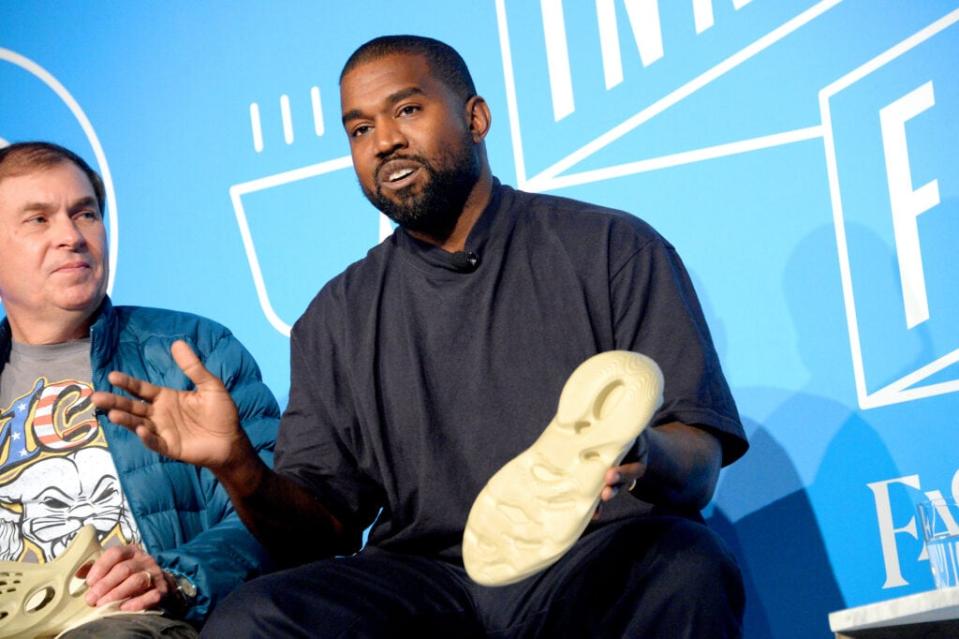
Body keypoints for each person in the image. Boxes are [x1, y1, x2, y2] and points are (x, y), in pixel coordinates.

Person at [93, 35, 748, 637]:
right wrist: (237, 464)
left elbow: (697, 463)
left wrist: (640, 449)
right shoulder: (334, 316)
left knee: (686, 563)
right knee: (256, 618)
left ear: (475, 117)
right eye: (359, 128)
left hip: (589, 559)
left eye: (406, 111)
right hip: (427, 583)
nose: (382, 141)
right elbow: (318, 532)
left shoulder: (609, 248)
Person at [0, 141, 279, 638]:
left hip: (136, 624)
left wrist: (175, 577)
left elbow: (275, 524)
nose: (71, 236)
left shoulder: (190, 351)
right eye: (38, 220)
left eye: (84, 214)